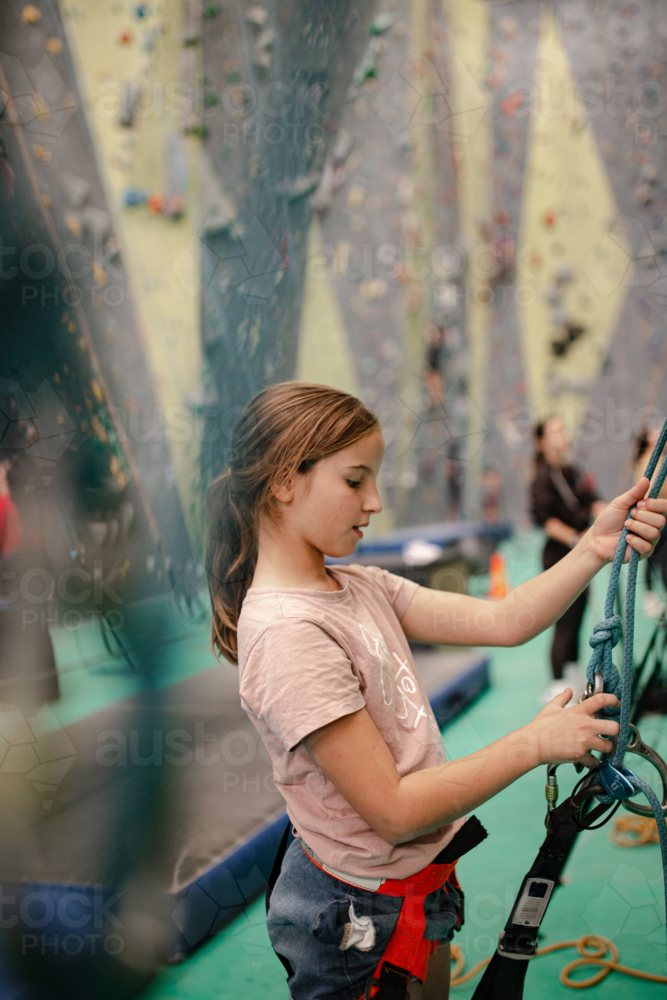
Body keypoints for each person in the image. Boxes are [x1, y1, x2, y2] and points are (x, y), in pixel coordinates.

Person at [207, 383, 666, 1000]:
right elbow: (394, 812)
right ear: (285, 481)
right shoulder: (290, 636)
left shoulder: (359, 585)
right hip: (356, 916)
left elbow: (506, 621)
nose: (374, 500)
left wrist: (593, 548)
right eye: (355, 480)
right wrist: (534, 743)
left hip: (421, 880)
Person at [530, 416, 606, 704]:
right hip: (559, 558)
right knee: (563, 620)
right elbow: (545, 520)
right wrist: (577, 538)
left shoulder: (573, 471)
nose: (563, 435)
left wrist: (621, 508)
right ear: (542, 442)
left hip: (580, 556)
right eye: (556, 431)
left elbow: (592, 502)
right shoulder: (541, 477)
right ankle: (557, 683)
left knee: (578, 617)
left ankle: (573, 675)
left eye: (564, 430)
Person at [633, 425, 667, 617]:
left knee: (654, 559)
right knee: (657, 558)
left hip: (659, 516)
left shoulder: (658, 460)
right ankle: (651, 597)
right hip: (656, 517)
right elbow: (654, 490)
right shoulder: (649, 461)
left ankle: (652, 596)